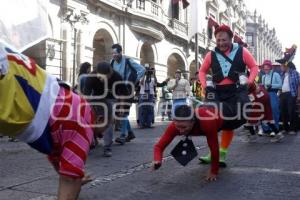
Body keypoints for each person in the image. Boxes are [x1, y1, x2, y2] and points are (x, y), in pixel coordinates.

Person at [0, 41, 105, 199]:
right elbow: (69, 177)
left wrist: (75, 174)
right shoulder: (84, 121)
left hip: (31, 86)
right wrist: (74, 177)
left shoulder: (74, 107)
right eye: (104, 131)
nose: (100, 137)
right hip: (27, 97)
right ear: (100, 120)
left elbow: (59, 158)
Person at [198, 24, 258, 165]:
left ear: (231, 39)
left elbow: (254, 67)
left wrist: (249, 82)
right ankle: (213, 153)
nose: (221, 43)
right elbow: (202, 71)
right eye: (218, 40)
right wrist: (205, 85)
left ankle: (222, 154)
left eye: (224, 40)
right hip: (217, 92)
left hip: (235, 92)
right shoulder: (210, 54)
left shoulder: (242, 51)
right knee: (211, 122)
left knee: (229, 124)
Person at [84, 61, 129, 156]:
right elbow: (86, 95)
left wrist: (121, 106)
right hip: (95, 97)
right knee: (89, 118)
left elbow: (124, 93)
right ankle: (91, 140)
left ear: (110, 73)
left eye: (103, 77)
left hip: (111, 98)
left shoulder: (117, 76)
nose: (100, 79)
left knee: (108, 122)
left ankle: (107, 147)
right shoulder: (92, 76)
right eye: (99, 76)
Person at [110, 43, 145, 144]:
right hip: (117, 90)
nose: (114, 55)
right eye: (112, 53)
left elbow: (142, 70)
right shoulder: (112, 62)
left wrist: (134, 81)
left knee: (123, 112)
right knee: (119, 113)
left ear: (120, 52)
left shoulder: (128, 61)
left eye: (115, 53)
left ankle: (122, 136)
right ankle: (130, 133)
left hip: (127, 90)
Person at [259, 60, 282, 135]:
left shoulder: (275, 74)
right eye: (264, 69)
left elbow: (280, 85)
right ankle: (266, 129)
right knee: (265, 111)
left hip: (273, 94)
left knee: (274, 110)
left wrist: (272, 85)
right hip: (265, 95)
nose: (266, 70)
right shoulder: (263, 76)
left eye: (267, 68)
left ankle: (275, 128)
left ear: (270, 68)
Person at [278, 61, 300, 135]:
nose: (280, 67)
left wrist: (299, 96)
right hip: (283, 94)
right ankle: (285, 128)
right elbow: (281, 85)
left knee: (291, 111)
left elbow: (299, 85)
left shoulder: (294, 73)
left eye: (281, 66)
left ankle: (293, 129)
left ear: (286, 66)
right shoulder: (282, 74)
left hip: (291, 94)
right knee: (283, 111)